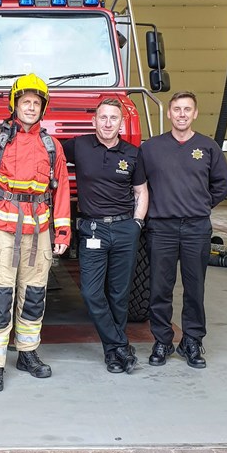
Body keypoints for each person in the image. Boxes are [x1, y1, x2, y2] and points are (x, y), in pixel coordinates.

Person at [0, 73, 71, 392]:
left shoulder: (51, 145)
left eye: (36, 102)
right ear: (15, 104)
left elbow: (62, 190)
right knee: (0, 296)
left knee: (34, 295)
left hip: (39, 230)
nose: (31, 107)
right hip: (2, 229)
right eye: (26, 101)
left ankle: (27, 353)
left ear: (44, 108)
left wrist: (62, 232)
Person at [139, 91, 227, 368]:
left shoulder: (208, 147)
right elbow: (140, 186)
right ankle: (162, 341)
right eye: (177, 109)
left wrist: (201, 204)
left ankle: (192, 340)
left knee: (194, 288)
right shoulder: (151, 148)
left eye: (187, 109)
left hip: (196, 228)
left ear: (195, 114)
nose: (181, 114)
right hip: (161, 228)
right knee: (159, 288)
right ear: (169, 113)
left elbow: (222, 184)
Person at [63, 98, 148, 374]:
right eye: (103, 117)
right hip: (93, 230)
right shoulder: (79, 146)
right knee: (90, 292)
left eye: (114, 118)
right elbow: (46, 152)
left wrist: (137, 223)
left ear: (121, 123)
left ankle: (113, 354)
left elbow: (141, 192)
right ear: (94, 121)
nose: (108, 123)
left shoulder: (134, 154)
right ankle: (120, 344)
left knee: (119, 294)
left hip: (125, 229)